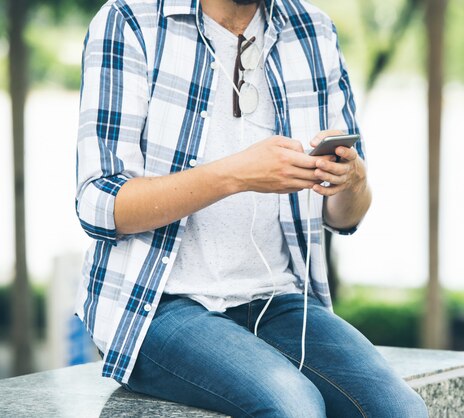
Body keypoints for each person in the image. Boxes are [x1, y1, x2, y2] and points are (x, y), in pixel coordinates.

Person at [75, 0, 429, 416]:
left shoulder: (312, 30)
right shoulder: (131, 20)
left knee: (398, 409)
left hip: (278, 300)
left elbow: (345, 218)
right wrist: (235, 175)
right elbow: (99, 205)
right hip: (155, 305)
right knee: (293, 407)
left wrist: (353, 181)